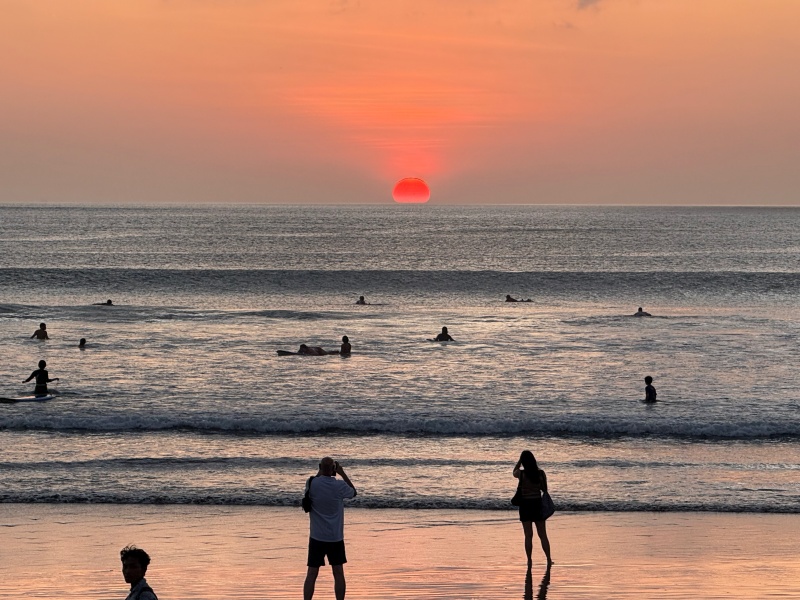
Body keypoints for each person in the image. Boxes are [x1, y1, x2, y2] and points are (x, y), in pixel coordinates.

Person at [303, 457, 357, 600]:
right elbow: (353, 492)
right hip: (335, 537)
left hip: (317, 536)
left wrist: (322, 469)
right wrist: (342, 472)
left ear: (320, 467)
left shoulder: (312, 483)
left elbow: (315, 479)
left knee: (312, 573)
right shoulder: (339, 485)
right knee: (338, 573)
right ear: (333, 469)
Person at [513, 450, 553, 567]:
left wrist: (519, 461)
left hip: (525, 505)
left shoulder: (522, 474)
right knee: (542, 534)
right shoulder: (540, 473)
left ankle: (529, 560)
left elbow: (514, 472)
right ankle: (549, 559)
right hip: (537, 504)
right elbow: (545, 489)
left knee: (528, 535)